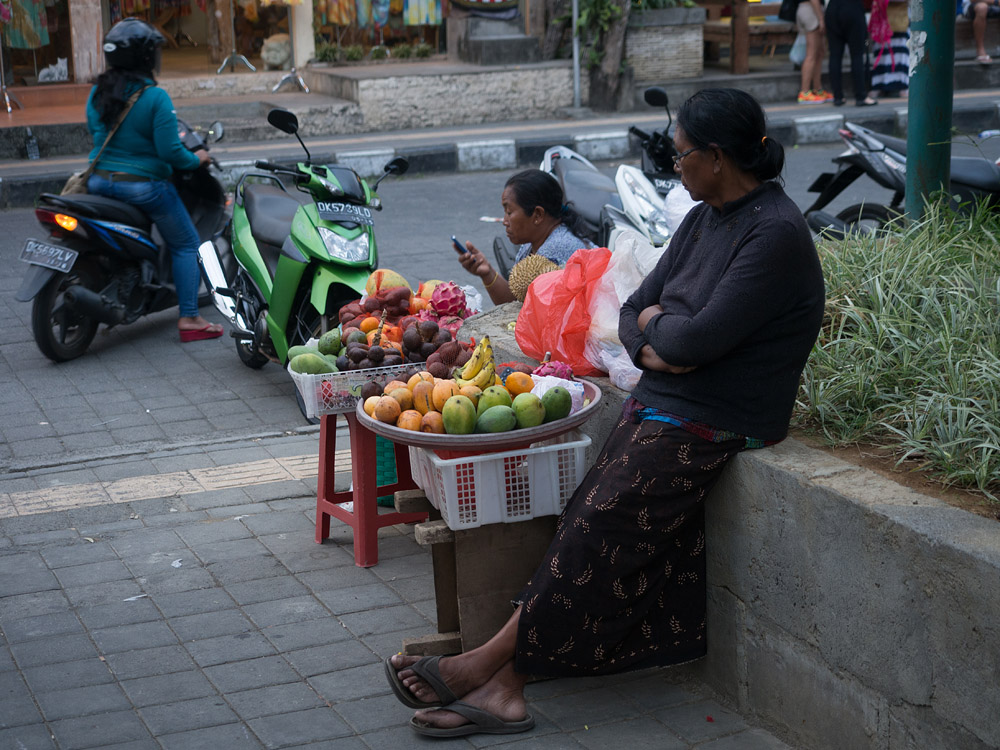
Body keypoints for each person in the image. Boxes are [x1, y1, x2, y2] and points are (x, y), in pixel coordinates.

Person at [385, 88, 826, 739]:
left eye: (681, 156)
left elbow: (691, 341)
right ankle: (498, 679)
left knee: (601, 533)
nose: (675, 167)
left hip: (722, 416)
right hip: (667, 402)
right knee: (583, 530)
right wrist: (660, 335)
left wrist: (663, 336)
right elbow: (633, 308)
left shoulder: (775, 234)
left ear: (715, 157)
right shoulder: (707, 217)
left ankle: (496, 676)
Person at [85, 18, 222, 343]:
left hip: (98, 182)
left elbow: (95, 133)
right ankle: (189, 318)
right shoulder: (155, 97)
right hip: (144, 188)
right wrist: (198, 158)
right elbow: (171, 152)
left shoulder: (97, 90)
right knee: (187, 244)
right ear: (146, 58)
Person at [453, 169, 591, 305]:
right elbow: (516, 302)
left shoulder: (555, 252)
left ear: (537, 215)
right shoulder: (532, 244)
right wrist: (487, 272)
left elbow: (526, 312)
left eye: (509, 212)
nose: (505, 221)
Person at [825, 0, 878, 106]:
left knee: (835, 55)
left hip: (832, 9)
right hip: (852, 8)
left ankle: (838, 96)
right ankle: (861, 96)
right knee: (857, 55)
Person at [868, 0, 910, 100]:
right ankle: (879, 85)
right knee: (882, 55)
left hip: (900, 19)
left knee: (901, 54)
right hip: (882, 19)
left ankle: (902, 86)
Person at [795, 0, 832, 102]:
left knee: (819, 53)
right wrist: (821, 18)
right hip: (810, 11)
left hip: (808, 10)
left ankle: (817, 89)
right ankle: (805, 92)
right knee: (811, 54)